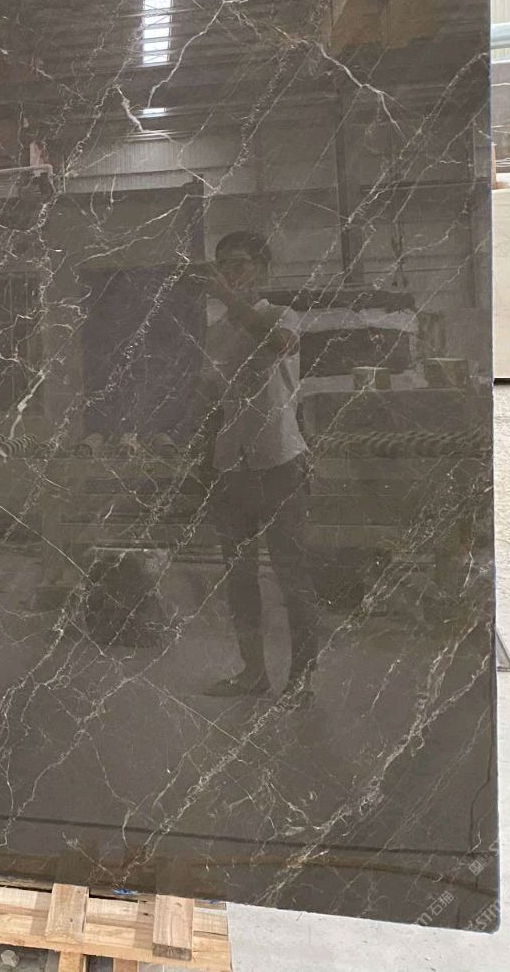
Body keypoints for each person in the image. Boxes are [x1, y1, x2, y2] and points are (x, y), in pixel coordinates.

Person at [192, 230, 320, 703]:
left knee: (292, 577)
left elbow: (279, 343)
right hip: (233, 467)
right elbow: (212, 395)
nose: (231, 273)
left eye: (240, 263)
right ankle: (253, 673)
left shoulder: (282, 315)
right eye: (224, 264)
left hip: (280, 463)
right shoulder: (216, 332)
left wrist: (227, 298)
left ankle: (301, 679)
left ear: (262, 269)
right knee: (240, 578)